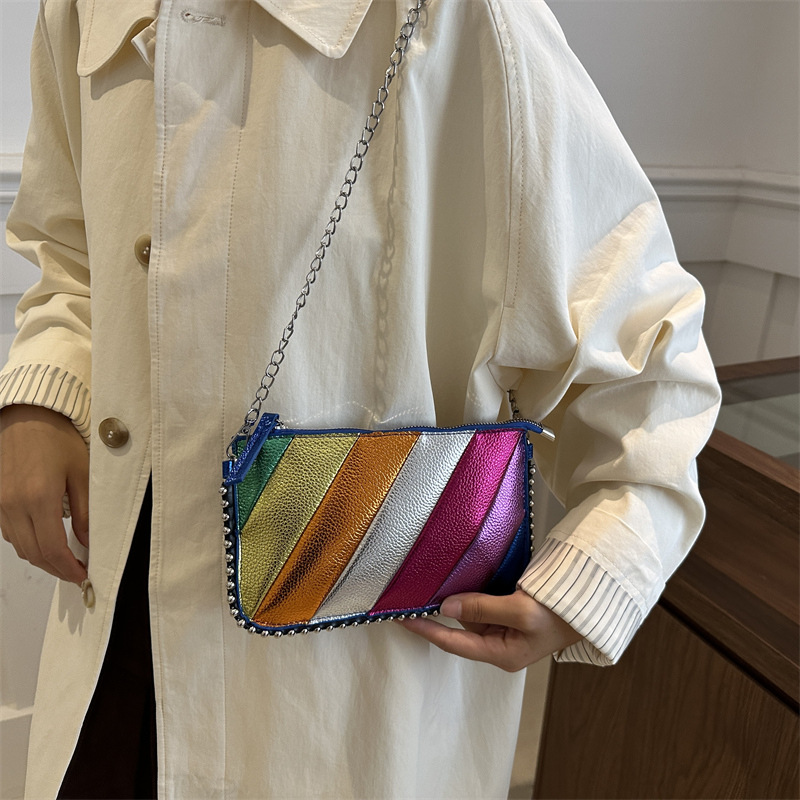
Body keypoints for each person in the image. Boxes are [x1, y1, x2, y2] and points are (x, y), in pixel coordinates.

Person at [0, 0, 720, 797]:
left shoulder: (465, 21)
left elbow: (653, 367)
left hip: (343, 707)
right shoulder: (83, 10)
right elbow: (70, 251)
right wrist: (40, 397)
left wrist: (590, 577)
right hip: (106, 642)